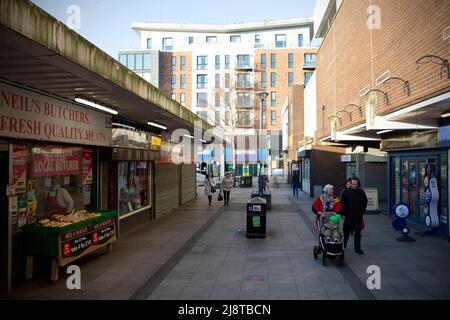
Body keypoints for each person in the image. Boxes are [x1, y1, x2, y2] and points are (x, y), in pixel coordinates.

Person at [340, 177, 368, 255]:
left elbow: (365, 202)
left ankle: (358, 248)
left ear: (358, 184)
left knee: (358, 233)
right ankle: (343, 245)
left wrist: (362, 211)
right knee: (346, 233)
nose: (354, 185)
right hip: (348, 216)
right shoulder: (346, 192)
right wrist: (343, 214)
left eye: (356, 184)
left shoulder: (361, 192)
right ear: (350, 184)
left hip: (358, 216)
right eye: (353, 184)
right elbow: (342, 204)